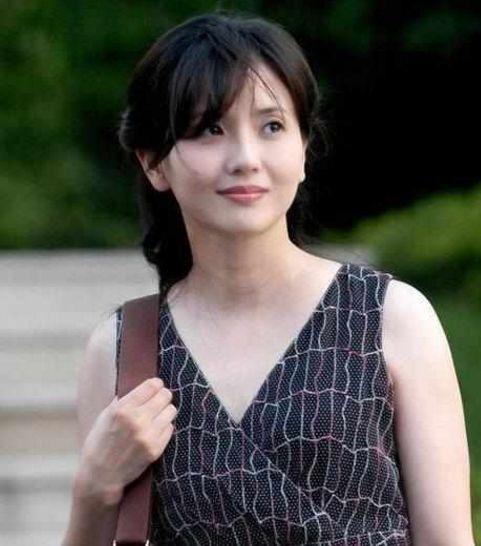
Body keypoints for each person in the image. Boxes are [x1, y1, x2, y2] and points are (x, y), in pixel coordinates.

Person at [62, 9, 475, 546]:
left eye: (272, 126)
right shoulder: (123, 349)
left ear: (303, 149)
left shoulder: (391, 318)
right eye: (210, 129)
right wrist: (93, 487)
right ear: (153, 163)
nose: (245, 158)